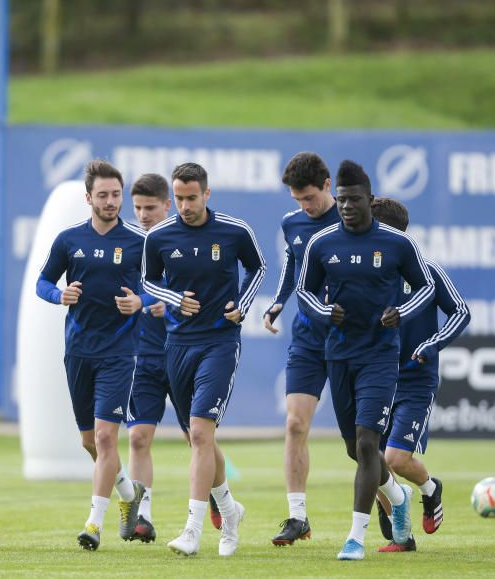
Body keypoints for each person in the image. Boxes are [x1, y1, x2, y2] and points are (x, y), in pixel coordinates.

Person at [296, 160, 435, 561]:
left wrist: (402, 313)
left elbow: (425, 288)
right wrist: (323, 313)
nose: (346, 207)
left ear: (370, 200)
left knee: (368, 441)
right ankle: (397, 494)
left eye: (354, 200)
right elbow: (303, 294)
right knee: (356, 451)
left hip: (380, 356)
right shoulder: (322, 244)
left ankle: (355, 537)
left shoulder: (396, 244)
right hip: (338, 355)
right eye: (341, 200)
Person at [141, 162, 266, 557]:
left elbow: (258, 267)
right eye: (178, 198)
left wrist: (242, 306)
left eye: (191, 198)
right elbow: (147, 281)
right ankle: (230, 511)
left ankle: (192, 530)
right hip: (177, 345)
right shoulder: (159, 236)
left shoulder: (233, 230)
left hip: (219, 342)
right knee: (200, 438)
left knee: (199, 433)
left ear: (207, 194)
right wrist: (176, 300)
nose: (184, 205)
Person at [36, 159, 147, 551]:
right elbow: (43, 282)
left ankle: (93, 524)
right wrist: (58, 295)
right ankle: (130, 494)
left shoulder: (138, 243)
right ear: (89, 198)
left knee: (104, 437)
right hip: (79, 351)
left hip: (119, 352)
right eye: (103, 195)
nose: (111, 201)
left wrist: (140, 300)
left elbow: (161, 286)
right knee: (89, 442)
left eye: (116, 194)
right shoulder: (69, 240)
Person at [124, 173, 223, 542]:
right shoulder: (132, 244)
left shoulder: (184, 241)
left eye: (151, 207)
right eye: (137, 208)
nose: (144, 214)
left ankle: (219, 496)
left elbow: (201, 291)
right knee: (137, 438)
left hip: (184, 352)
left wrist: (172, 305)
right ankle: (142, 517)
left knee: (198, 437)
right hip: (144, 356)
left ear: (168, 204)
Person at [370, 197, 470, 552]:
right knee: (373, 460)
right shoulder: (368, 273)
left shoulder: (427, 271)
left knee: (394, 459)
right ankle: (403, 537)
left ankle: (430, 488)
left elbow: (460, 312)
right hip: (376, 378)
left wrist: (433, 344)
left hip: (415, 379)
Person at [262, 152, 340, 546]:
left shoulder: (354, 219)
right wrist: (278, 302)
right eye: (297, 200)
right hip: (308, 337)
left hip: (350, 340)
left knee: (361, 440)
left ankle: (391, 497)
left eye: (309, 198)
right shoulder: (291, 222)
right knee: (294, 424)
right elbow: (292, 267)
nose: (304, 208)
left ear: (327, 185)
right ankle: (297, 517)